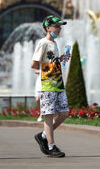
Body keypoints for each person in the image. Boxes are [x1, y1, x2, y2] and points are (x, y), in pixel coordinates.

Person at [31, 15, 71, 158]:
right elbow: (34, 64)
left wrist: (60, 60)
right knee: (48, 115)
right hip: (48, 84)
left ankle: (43, 136)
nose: (59, 29)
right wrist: (47, 68)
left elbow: (51, 61)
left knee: (64, 113)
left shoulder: (54, 43)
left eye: (60, 26)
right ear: (48, 28)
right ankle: (51, 145)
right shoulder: (43, 43)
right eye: (57, 26)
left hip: (58, 84)